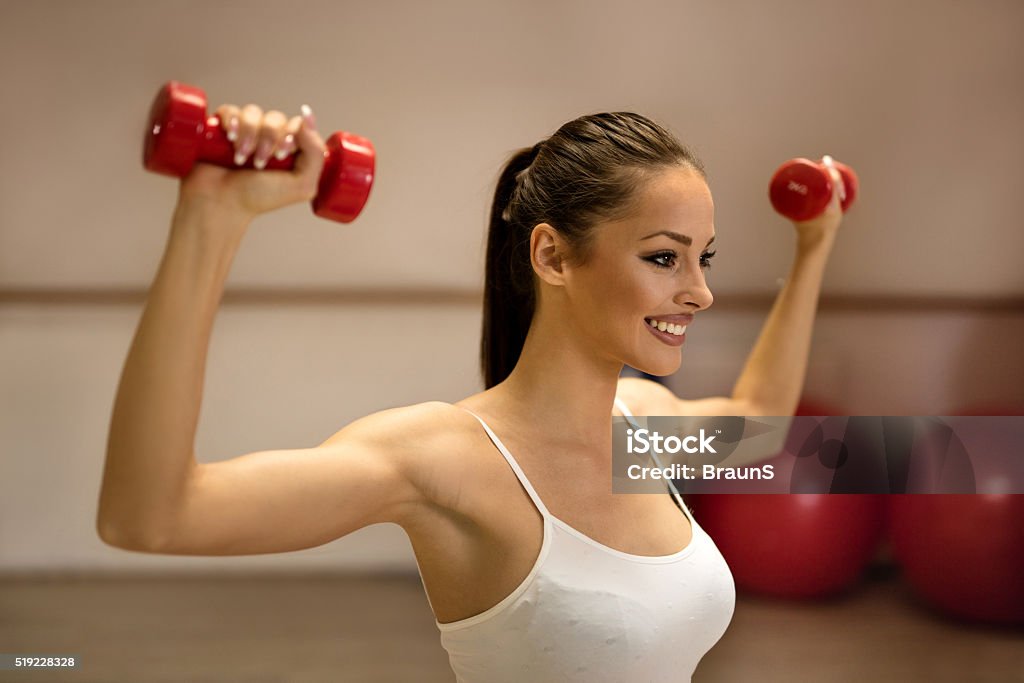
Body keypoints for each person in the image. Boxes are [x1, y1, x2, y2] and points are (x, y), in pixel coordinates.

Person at [98, 99, 844, 682]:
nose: (700, 293)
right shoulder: (443, 459)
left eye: (702, 259)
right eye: (664, 257)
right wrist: (211, 218)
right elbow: (153, 516)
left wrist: (814, 247)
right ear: (552, 255)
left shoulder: (635, 427)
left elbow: (762, 425)